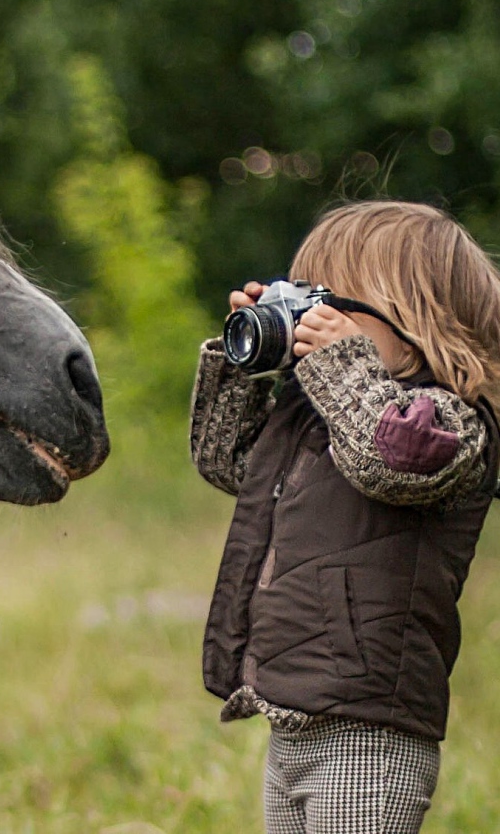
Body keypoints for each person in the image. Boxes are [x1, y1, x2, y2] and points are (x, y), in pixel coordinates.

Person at [189, 200, 500, 834]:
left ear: (412, 313)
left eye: (331, 302)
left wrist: (339, 366)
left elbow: (387, 461)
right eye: (306, 299)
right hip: (293, 713)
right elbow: (229, 464)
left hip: (370, 731)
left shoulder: (450, 421)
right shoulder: (320, 414)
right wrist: (247, 365)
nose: (313, 318)